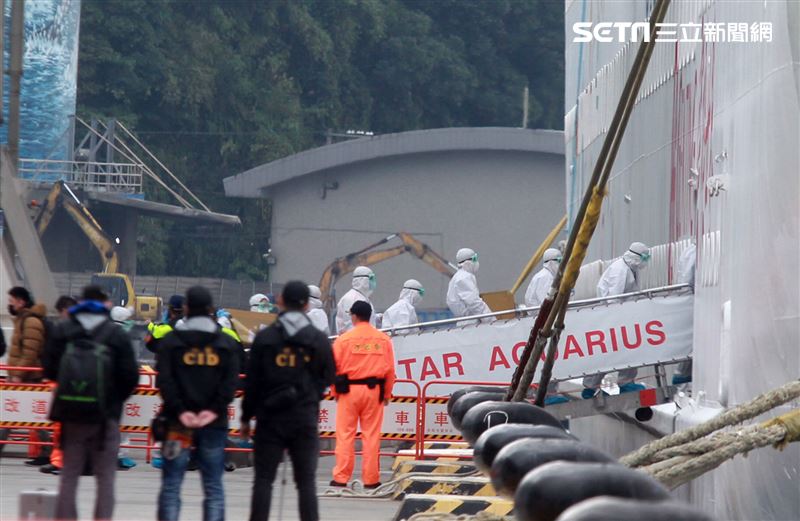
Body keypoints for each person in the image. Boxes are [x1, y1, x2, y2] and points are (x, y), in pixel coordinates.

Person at [241, 281, 335, 521]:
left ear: (280, 301)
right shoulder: (318, 339)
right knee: (306, 483)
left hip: (269, 419)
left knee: (263, 480)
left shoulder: (266, 337)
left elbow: (252, 381)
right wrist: (310, 394)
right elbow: (329, 375)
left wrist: (245, 416)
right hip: (304, 419)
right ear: (306, 305)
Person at [43, 285, 138, 521]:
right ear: (104, 303)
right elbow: (130, 376)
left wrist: (72, 391)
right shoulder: (115, 334)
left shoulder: (63, 329)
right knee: (105, 478)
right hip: (106, 418)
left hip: (71, 416)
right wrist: (113, 401)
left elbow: (50, 368)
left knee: (69, 475)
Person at [155, 286, 240, 521]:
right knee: (213, 485)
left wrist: (182, 411)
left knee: (171, 484)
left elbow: (165, 381)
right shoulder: (225, 343)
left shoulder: (172, 342)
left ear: (187, 308)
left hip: (176, 424)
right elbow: (230, 384)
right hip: (214, 424)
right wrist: (212, 411)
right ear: (211, 309)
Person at [330, 301, 395, 488]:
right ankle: (371, 479)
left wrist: (335, 391)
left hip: (348, 392)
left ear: (354, 316)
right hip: (374, 392)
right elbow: (390, 370)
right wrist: (387, 394)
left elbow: (333, 369)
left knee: (345, 435)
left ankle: (341, 478)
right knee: (372, 436)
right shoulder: (383, 340)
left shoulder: (343, 340)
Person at [583, 242, 651, 399]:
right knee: (607, 352)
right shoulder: (619, 270)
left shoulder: (630, 268)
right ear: (636, 257)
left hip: (624, 317)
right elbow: (614, 298)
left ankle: (626, 382)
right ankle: (591, 386)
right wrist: (617, 319)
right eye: (645, 258)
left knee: (628, 350)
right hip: (614, 318)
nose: (646, 261)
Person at [33, 295, 78, 476]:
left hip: (69, 385)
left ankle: (63, 462)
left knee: (65, 427)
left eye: (61, 312)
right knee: (61, 427)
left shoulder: (71, 332)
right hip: (67, 384)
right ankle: (59, 460)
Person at [6, 286, 47, 382]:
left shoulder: (30, 322)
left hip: (28, 378)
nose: (10, 304)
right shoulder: (21, 320)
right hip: (21, 375)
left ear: (21, 302)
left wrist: (18, 374)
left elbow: (30, 353)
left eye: (11, 301)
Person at [673, 241, 696, 386]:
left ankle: (682, 375)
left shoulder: (688, 251)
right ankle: (681, 377)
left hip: (686, 300)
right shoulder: (693, 252)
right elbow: (688, 278)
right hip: (690, 301)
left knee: (688, 341)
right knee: (689, 341)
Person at [446, 248, 492, 320]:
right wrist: (490, 319)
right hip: (470, 322)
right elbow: (474, 302)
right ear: (467, 262)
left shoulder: (459, 276)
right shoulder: (464, 278)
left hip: (467, 321)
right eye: (474, 259)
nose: (476, 262)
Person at [335, 266, 376, 334]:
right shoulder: (349, 299)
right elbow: (350, 325)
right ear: (361, 280)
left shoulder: (364, 298)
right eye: (371, 278)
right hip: (355, 341)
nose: (373, 282)